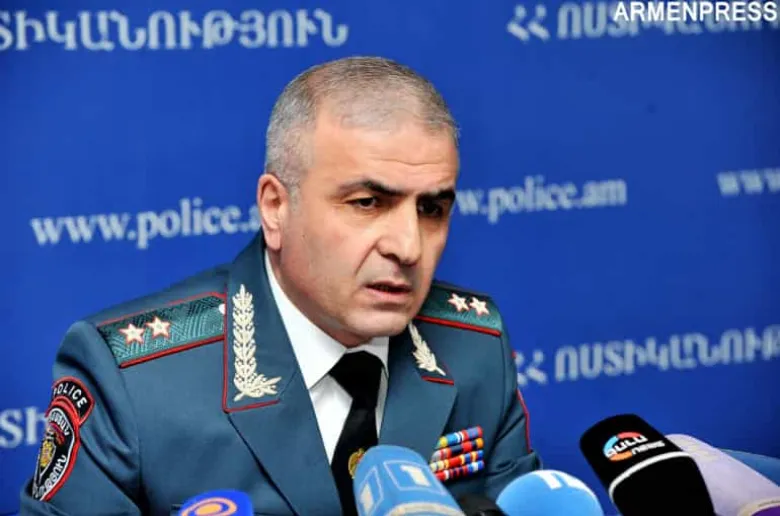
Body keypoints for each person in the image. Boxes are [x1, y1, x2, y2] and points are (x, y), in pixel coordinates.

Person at [20, 56, 541, 516]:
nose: (408, 246)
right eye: (367, 203)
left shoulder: (475, 347)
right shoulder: (133, 380)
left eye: (431, 209)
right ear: (275, 207)